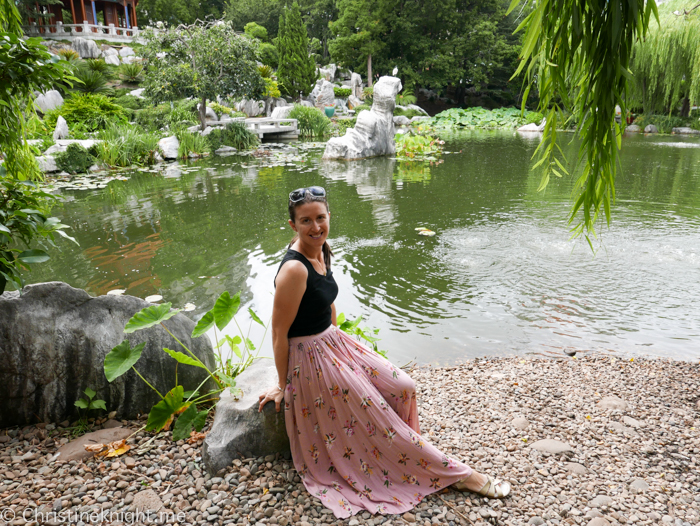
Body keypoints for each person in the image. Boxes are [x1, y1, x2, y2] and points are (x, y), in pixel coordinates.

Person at [258, 186, 510, 518]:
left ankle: (403, 452)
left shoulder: (322, 249)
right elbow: (279, 332)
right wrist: (282, 383)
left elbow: (327, 300)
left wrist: (344, 346)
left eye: (320, 218)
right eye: (306, 221)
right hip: (308, 357)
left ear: (329, 216)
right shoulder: (294, 269)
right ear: (293, 225)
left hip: (333, 342)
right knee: (371, 409)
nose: (315, 227)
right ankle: (459, 475)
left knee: (403, 386)